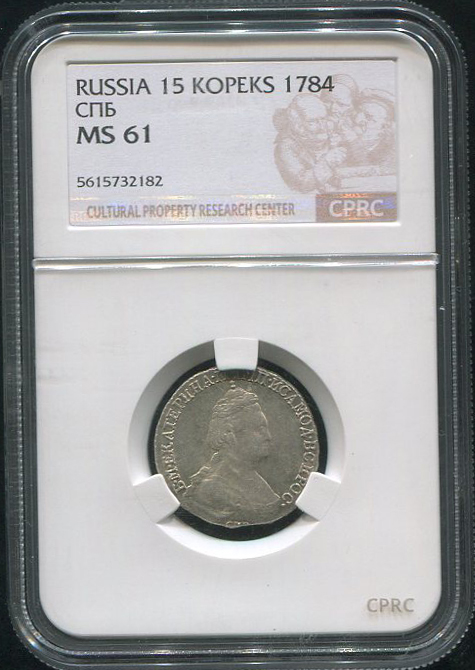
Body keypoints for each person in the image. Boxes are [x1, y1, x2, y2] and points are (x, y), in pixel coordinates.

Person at [184, 385, 280, 526]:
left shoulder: (253, 479)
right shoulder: (212, 490)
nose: (268, 437)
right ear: (229, 434)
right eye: (259, 429)